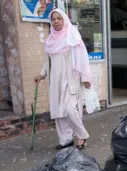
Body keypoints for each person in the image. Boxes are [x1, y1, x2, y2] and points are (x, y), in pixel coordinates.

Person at [34, 8, 91, 150]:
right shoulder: (50, 40)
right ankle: (65, 140)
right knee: (58, 112)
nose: (56, 22)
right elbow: (48, 61)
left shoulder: (72, 35)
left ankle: (81, 135)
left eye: (59, 18)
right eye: (53, 19)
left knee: (70, 109)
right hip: (55, 81)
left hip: (71, 79)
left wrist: (85, 77)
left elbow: (82, 57)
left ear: (64, 19)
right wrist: (42, 74)